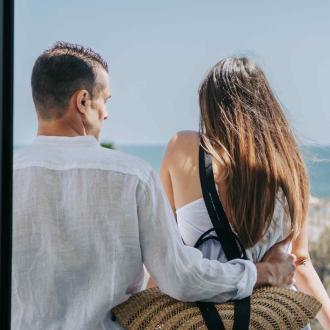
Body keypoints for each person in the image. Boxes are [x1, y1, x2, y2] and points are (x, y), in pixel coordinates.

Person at [13, 44, 296, 330]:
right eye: (105, 101)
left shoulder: (9, 176)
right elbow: (180, 277)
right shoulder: (131, 177)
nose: (106, 114)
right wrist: (262, 273)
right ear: (83, 101)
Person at [159, 57, 330, 329]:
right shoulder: (290, 165)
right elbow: (301, 262)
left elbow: (164, 256)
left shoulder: (184, 148)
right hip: (276, 318)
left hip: (207, 319)